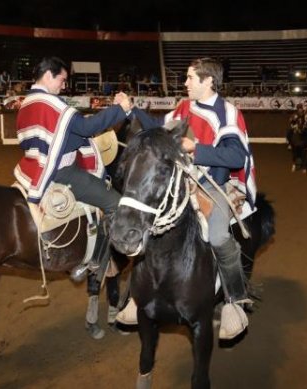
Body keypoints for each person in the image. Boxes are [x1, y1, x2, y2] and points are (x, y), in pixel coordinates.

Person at [117, 57, 258, 340]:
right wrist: (132, 108)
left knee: (218, 236)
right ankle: (138, 295)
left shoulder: (227, 112)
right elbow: (159, 126)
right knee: (149, 218)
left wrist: (197, 148)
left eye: (190, 78)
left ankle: (235, 300)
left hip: (216, 184)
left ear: (208, 81)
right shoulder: (185, 106)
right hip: (184, 182)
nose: (185, 83)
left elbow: (236, 156)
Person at [13, 56, 132, 281]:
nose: (64, 85)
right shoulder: (50, 104)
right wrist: (120, 109)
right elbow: (86, 128)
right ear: (49, 75)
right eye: (62, 79)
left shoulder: (26, 103)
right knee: (115, 204)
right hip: (62, 171)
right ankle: (98, 260)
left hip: (31, 166)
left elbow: (57, 135)